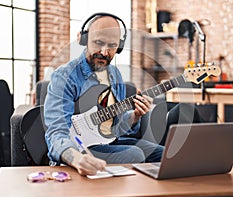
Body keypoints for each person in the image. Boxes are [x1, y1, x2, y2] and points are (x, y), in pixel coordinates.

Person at [44, 13, 164, 176]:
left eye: (112, 45)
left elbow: (118, 127)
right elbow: (55, 132)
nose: (104, 52)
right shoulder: (65, 77)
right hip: (80, 148)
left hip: (109, 141)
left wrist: (135, 115)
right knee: (136, 154)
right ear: (83, 39)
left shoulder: (115, 74)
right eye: (98, 42)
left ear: (119, 46)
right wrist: (76, 158)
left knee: (163, 153)